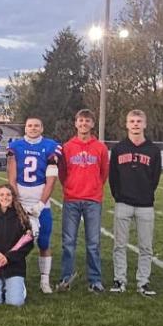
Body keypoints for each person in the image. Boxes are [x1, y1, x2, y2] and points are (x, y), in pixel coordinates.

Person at [108, 109, 162, 296]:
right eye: (132, 121)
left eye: (139, 121)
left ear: (145, 124)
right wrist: (119, 195)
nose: (136, 124)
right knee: (119, 245)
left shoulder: (153, 150)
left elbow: (155, 178)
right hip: (123, 202)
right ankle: (119, 280)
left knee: (146, 246)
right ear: (127, 124)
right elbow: (112, 176)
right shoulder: (118, 149)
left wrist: (145, 194)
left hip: (145, 204)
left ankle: (143, 282)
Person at [7, 116, 62, 294]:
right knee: (15, 241)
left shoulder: (50, 145)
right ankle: (14, 277)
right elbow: (12, 177)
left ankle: (44, 280)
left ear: (42, 128)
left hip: (41, 199)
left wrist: (41, 203)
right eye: (30, 125)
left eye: (36, 125)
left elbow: (51, 180)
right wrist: (16, 202)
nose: (33, 128)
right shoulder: (16, 146)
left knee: (44, 241)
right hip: (20, 198)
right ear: (25, 128)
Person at [57, 109, 109, 293]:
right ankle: (66, 278)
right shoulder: (67, 147)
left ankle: (95, 280)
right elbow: (62, 173)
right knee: (68, 242)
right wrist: (71, 187)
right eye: (81, 121)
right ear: (76, 123)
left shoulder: (100, 147)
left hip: (93, 200)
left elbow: (103, 173)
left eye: (87, 121)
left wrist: (93, 188)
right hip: (72, 199)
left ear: (92, 124)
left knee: (93, 243)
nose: (84, 124)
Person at [0, 184, 35, 306]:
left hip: (15, 266)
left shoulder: (21, 217)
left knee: (15, 303)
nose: (5, 197)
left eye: (8, 194)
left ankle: (18, 287)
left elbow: (28, 244)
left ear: (13, 197)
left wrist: (9, 257)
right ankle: (1, 286)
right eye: (2, 194)